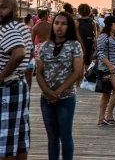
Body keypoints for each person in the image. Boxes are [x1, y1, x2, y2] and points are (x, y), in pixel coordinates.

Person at [36, 11, 83, 160]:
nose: (59, 27)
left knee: (65, 136)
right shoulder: (45, 46)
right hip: (46, 98)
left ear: (69, 27)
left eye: (63, 24)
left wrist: (58, 93)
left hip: (66, 98)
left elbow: (76, 72)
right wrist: (47, 91)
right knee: (52, 138)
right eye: (56, 23)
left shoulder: (74, 45)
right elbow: (39, 72)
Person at [0, 0, 32, 160]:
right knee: (19, 136)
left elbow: (19, 52)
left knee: (5, 139)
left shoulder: (8, 28)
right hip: (18, 84)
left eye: (3, 7)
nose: (0, 10)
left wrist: (1, 76)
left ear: (14, 11)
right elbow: (28, 53)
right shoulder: (22, 27)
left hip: (8, 86)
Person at [76, 4, 97, 73]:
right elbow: (95, 33)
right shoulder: (92, 22)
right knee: (88, 59)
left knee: (80, 58)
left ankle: (80, 74)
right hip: (90, 42)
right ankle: (87, 73)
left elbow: (74, 32)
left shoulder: (77, 22)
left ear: (79, 11)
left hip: (80, 42)